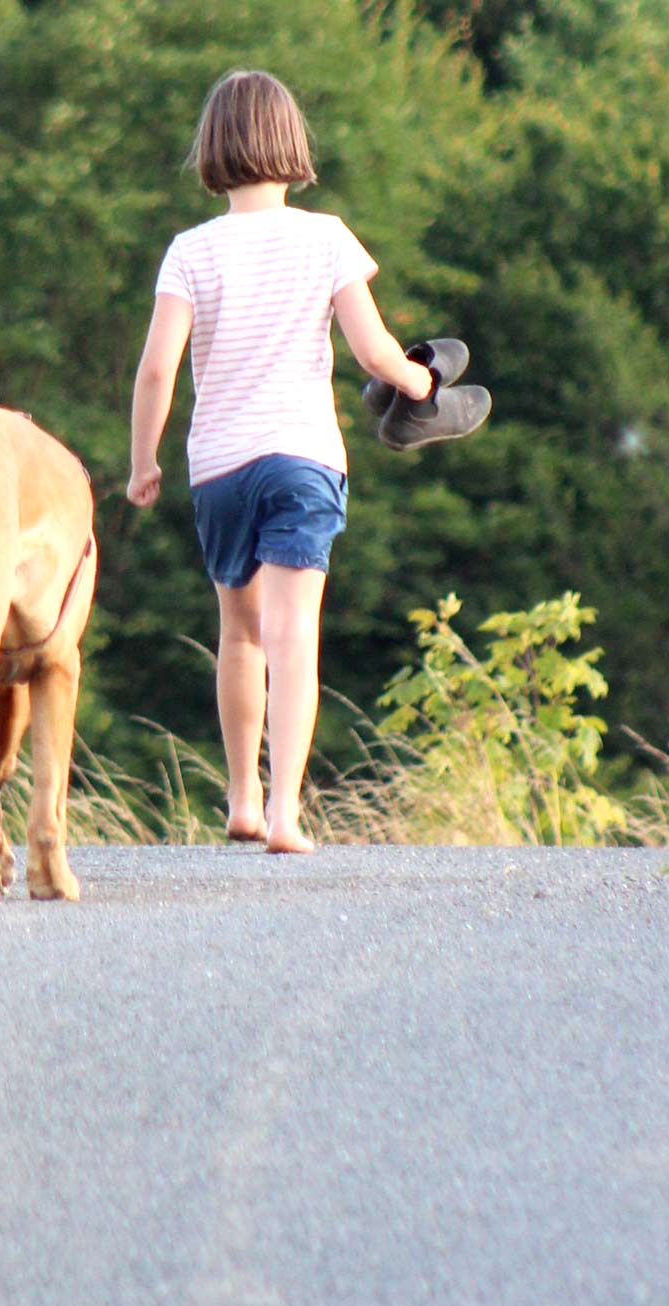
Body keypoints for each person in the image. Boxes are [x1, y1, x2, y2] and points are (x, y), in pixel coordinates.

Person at [126, 69, 436, 855]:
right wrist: (421, 383)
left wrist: (142, 462)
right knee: (295, 630)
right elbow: (373, 350)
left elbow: (158, 369)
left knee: (240, 634)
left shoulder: (189, 251)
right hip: (301, 458)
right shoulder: (326, 236)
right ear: (292, 145)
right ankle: (285, 813)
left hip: (221, 469)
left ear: (211, 150)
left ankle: (239, 801)